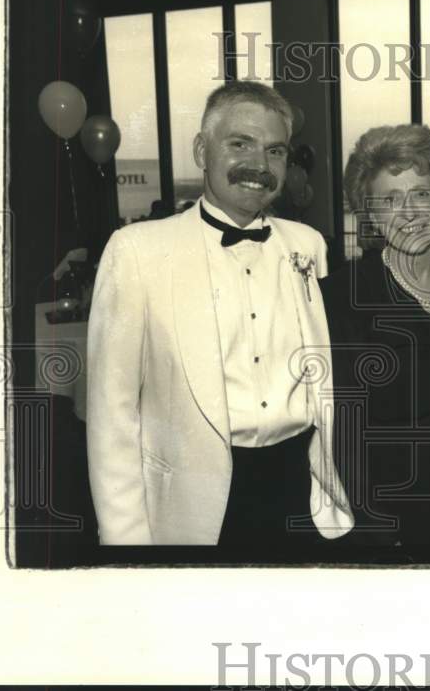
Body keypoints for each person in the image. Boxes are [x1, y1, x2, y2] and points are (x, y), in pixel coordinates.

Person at [87, 81, 352, 547]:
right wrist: (128, 547)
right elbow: (112, 417)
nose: (259, 165)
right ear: (201, 151)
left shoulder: (308, 246)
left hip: (301, 491)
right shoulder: (136, 251)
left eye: (275, 150)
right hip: (197, 507)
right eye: (239, 144)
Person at [320, 124, 430, 546]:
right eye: (390, 200)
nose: (409, 212)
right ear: (371, 215)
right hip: (390, 527)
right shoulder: (340, 298)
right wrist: (376, 534)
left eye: (422, 194)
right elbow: (341, 436)